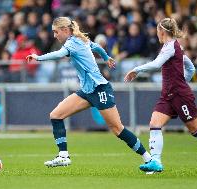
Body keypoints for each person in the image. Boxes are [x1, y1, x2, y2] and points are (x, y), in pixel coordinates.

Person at [26, 17, 152, 168]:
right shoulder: (79, 40)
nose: (54, 35)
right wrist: (106, 58)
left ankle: (149, 159)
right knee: (56, 115)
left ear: (65, 30)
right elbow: (97, 46)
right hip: (87, 91)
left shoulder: (72, 43)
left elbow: (59, 55)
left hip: (100, 89)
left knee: (118, 129)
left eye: (56, 32)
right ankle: (63, 156)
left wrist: (38, 57)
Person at [124, 18, 197, 177]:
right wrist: (181, 80)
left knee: (195, 130)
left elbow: (157, 64)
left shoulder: (171, 46)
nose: (157, 33)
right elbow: (190, 67)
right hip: (168, 95)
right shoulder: (170, 47)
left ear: (162, 31)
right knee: (154, 123)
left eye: (158, 30)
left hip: (180, 95)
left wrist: (136, 69)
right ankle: (156, 161)